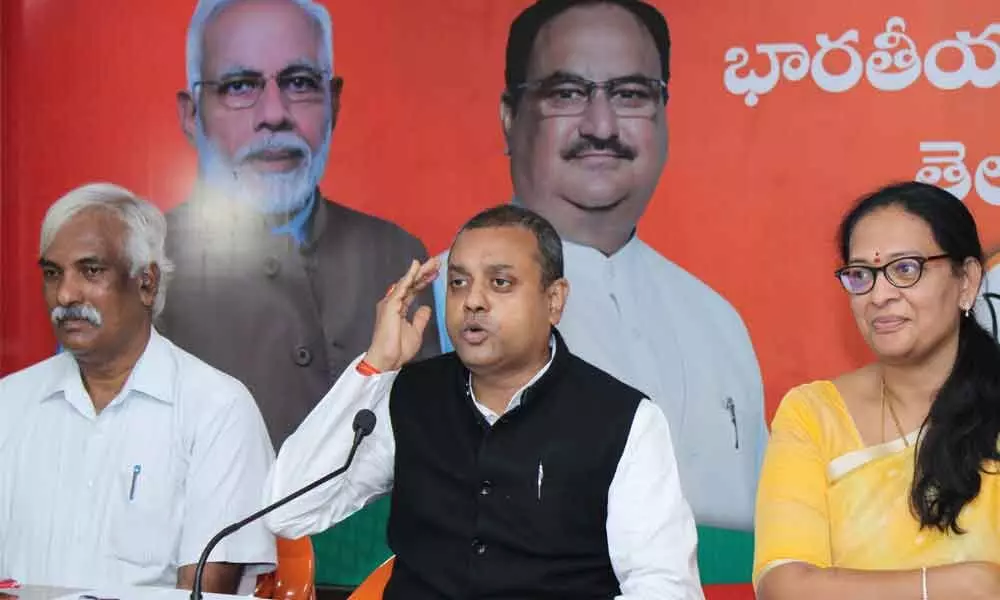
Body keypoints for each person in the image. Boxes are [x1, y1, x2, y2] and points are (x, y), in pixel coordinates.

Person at [431, 0, 763, 530]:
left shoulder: (718, 320)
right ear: (509, 118)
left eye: (631, 94)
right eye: (567, 93)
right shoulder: (442, 303)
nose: (602, 124)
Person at [265, 205, 703, 599]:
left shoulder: (623, 421)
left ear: (554, 300)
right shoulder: (410, 396)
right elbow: (288, 511)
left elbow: (664, 587)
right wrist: (375, 368)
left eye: (500, 282)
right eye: (458, 283)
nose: (472, 301)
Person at [163, 0, 438, 448]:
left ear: (334, 102)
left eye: (299, 83)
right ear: (192, 114)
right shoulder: (142, 265)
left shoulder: (394, 255)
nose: (274, 113)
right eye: (239, 86)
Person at [0, 183, 275, 592]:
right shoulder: (10, 402)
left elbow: (205, 593)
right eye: (53, 273)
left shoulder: (217, 409)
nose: (65, 294)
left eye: (91, 271)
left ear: (146, 283)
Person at [754, 181, 1000, 599]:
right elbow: (783, 587)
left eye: (906, 269)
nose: (879, 295)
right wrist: (961, 585)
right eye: (861, 274)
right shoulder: (812, 414)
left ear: (967, 280)